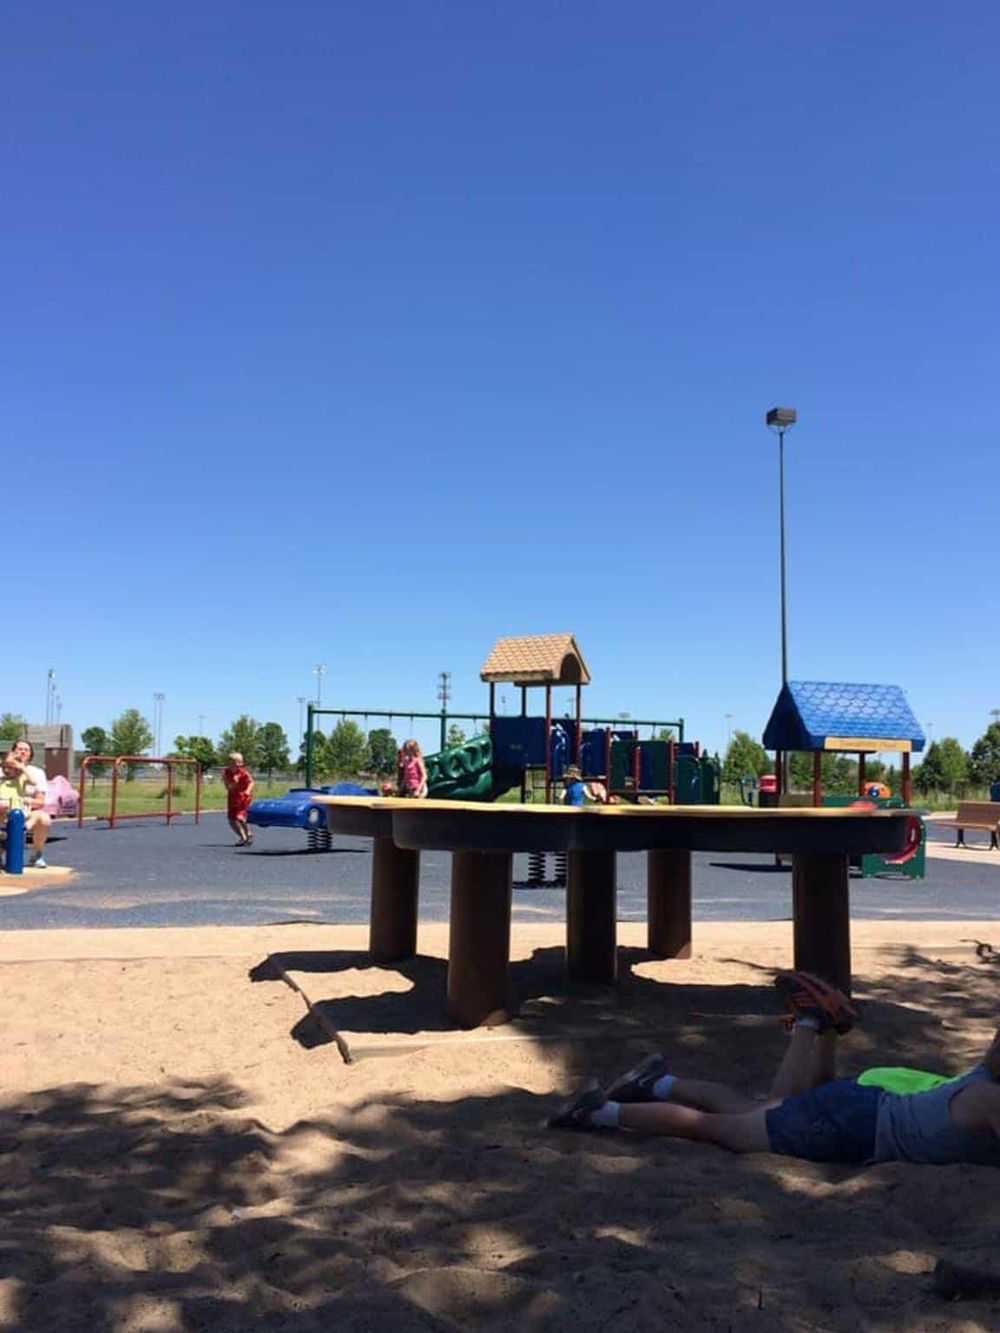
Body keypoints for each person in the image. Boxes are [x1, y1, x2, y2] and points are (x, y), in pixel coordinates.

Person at [548, 969, 1000, 1166]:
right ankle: (599, 1113)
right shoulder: (990, 1099)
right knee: (718, 1128)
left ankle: (658, 1083)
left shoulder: (984, 1079)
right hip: (850, 1126)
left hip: (860, 1106)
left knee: (751, 1108)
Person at [5, 739, 51, 868]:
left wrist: (28, 801)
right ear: (13, 752)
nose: (23, 752)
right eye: (19, 749)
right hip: (4, 811)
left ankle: (36, 854)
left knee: (43, 819)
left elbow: (40, 801)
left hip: (25, 811)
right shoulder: (3, 771)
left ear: (31, 754)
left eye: (26, 750)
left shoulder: (35, 773)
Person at [222, 751, 255, 846]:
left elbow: (251, 782)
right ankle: (242, 837)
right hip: (232, 797)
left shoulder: (243, 772)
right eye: (232, 763)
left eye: (238, 764)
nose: (236, 766)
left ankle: (249, 833)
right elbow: (228, 787)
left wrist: (248, 790)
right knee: (231, 819)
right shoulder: (226, 773)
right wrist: (234, 783)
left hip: (244, 797)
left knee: (239, 817)